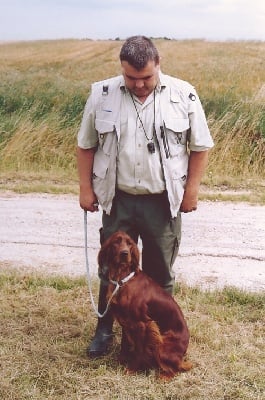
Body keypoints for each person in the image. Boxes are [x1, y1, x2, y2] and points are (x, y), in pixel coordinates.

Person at [77, 35, 214, 358]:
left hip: (162, 201)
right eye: (131, 78)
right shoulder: (102, 94)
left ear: (159, 64)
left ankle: (159, 334)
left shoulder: (184, 94)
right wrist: (86, 189)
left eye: (146, 78)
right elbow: (86, 145)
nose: (139, 85)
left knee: (160, 271)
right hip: (118, 198)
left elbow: (200, 147)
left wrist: (190, 191)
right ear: (122, 70)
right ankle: (104, 330)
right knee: (111, 269)